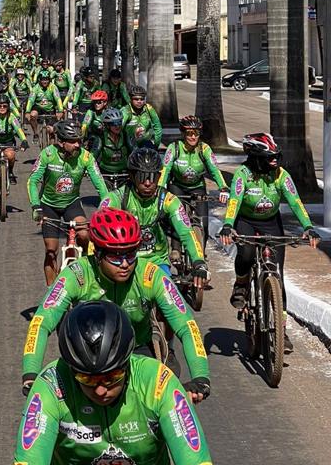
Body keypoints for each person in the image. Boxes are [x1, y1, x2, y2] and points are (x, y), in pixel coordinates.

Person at [4, 301, 228, 465]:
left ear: (127, 362)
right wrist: (30, 371)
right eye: (86, 379)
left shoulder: (158, 382)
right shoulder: (51, 385)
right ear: (72, 371)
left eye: (112, 377)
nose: (101, 391)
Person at [21, 209, 210, 404]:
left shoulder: (149, 275)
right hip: (87, 362)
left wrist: (200, 376)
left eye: (131, 254)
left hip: (136, 351)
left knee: (161, 408)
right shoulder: (77, 274)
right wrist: (30, 373)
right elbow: (41, 323)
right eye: (116, 257)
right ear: (98, 254)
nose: (125, 264)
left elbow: (187, 325)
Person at [219, 132, 320, 354]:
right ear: (256, 158)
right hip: (245, 222)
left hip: (271, 224)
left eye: (276, 156)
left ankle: (281, 330)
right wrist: (228, 225)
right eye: (269, 157)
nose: (275, 161)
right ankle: (242, 284)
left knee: (278, 277)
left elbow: (295, 201)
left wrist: (308, 227)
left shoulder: (281, 175)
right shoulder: (243, 175)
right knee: (245, 255)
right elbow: (234, 201)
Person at [100, 147, 207, 290]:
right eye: (142, 177)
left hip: (157, 261)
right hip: (124, 262)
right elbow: (98, 232)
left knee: (167, 297)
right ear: (131, 176)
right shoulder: (116, 198)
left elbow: (187, 232)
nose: (148, 183)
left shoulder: (168, 200)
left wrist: (199, 261)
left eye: (153, 177)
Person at [28, 119, 108, 284]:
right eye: (72, 142)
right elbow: (32, 181)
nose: (77, 145)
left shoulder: (86, 157)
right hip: (49, 206)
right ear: (61, 142)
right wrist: (36, 206)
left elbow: (100, 184)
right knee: (51, 251)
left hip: (72, 204)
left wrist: (106, 208)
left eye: (79, 140)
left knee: (85, 235)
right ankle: (52, 293)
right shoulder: (47, 154)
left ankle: (87, 265)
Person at [159, 115, 228, 249]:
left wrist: (223, 187)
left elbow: (214, 170)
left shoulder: (204, 149)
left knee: (204, 224)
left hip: (197, 187)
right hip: (177, 187)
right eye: (189, 133)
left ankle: (201, 253)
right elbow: (165, 170)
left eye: (196, 133)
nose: (193, 137)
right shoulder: (174, 148)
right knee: (176, 217)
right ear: (183, 134)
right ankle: (176, 249)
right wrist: (160, 188)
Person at [0, 92, 28, 184]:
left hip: (8, 142)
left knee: (11, 155)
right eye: (0, 106)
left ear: (8, 107)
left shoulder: (12, 117)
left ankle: (10, 172)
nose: (2, 108)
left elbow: (18, 129)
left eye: (4, 106)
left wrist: (24, 140)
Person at [90, 106, 131, 189]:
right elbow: (92, 156)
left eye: (119, 122)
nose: (117, 126)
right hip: (105, 172)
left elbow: (135, 151)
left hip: (123, 172)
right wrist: (88, 168)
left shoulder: (126, 135)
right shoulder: (101, 138)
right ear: (107, 125)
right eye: (114, 124)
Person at [25, 69, 64, 142]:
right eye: (43, 80)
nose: (45, 81)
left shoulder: (53, 87)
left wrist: (60, 110)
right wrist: (27, 111)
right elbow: (30, 100)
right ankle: (36, 133)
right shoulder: (35, 88)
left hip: (50, 109)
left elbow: (58, 99)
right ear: (39, 80)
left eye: (46, 79)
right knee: (33, 115)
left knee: (51, 130)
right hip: (38, 107)